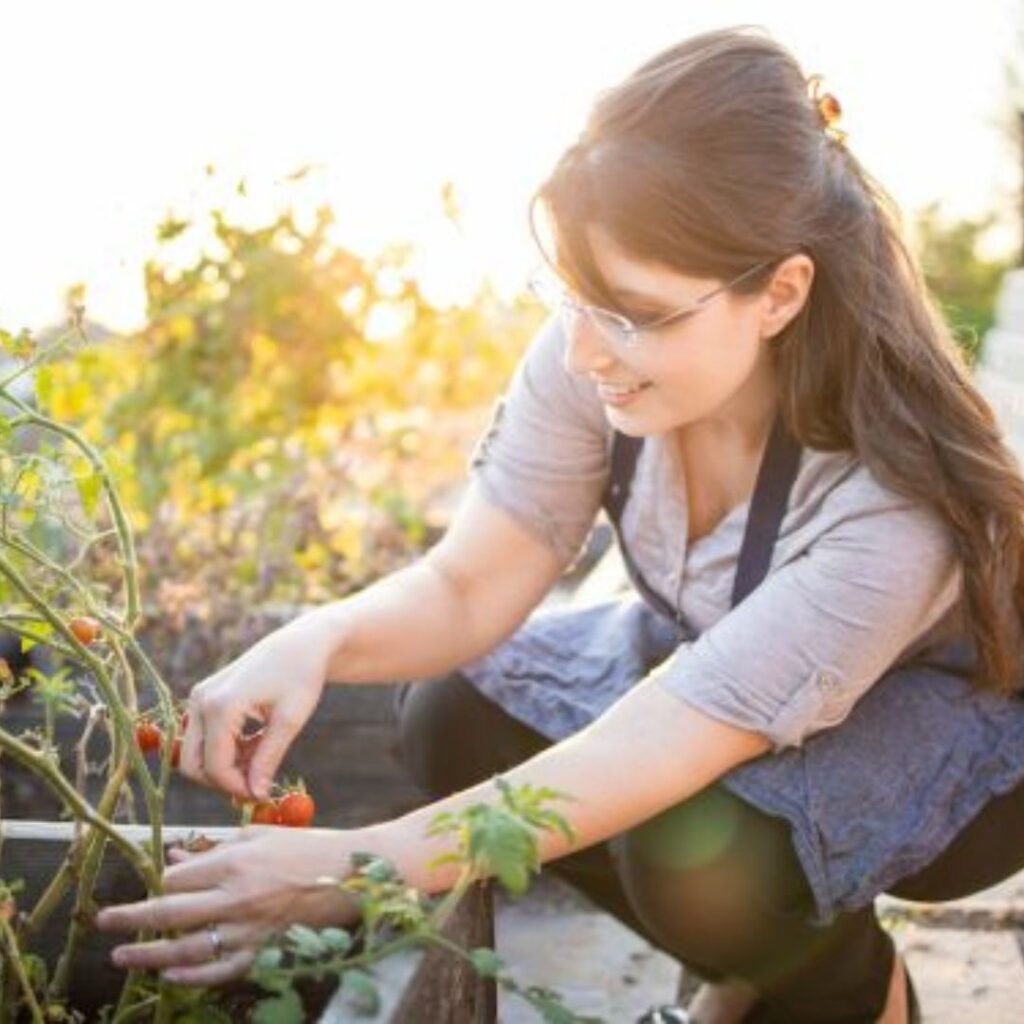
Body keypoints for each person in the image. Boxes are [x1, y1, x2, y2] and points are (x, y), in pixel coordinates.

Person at [95, 25, 1024, 1023]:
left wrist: (354, 867)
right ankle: (757, 965)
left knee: (694, 850)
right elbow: (468, 584)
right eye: (571, 292)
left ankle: (859, 992)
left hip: (952, 748)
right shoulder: (602, 354)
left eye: (632, 310)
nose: (584, 348)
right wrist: (313, 637)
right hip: (723, 680)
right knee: (450, 712)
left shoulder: (889, 507)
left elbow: (665, 745)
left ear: (781, 293)